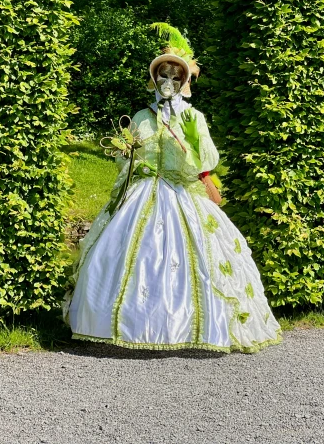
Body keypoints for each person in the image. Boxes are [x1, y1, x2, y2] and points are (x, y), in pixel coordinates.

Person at [62, 23, 282, 353]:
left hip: (183, 194)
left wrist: (192, 137)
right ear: (154, 79)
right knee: (128, 254)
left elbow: (208, 159)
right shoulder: (141, 115)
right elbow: (131, 159)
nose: (168, 82)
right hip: (144, 194)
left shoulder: (194, 117)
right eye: (163, 75)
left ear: (185, 81)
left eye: (175, 76)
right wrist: (129, 155)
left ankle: (198, 328)